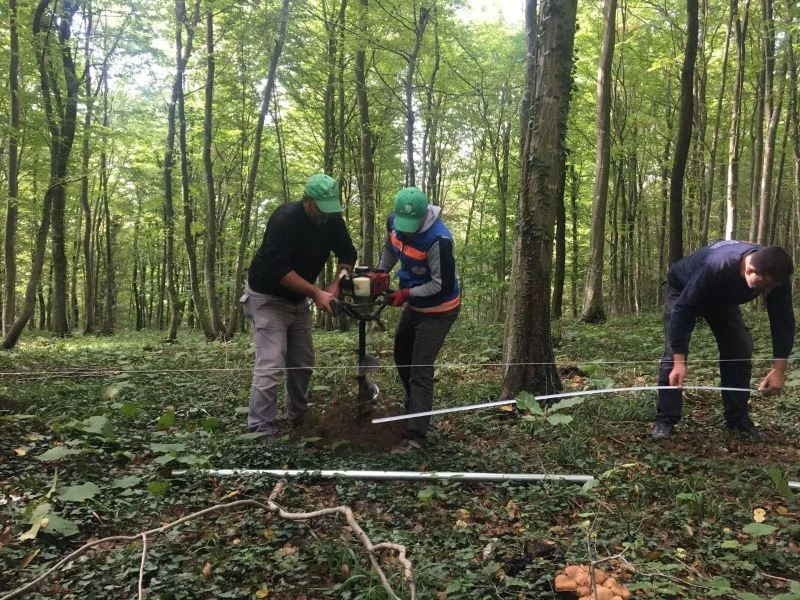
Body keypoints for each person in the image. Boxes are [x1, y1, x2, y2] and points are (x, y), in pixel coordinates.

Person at [241, 174, 357, 440]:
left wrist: (334, 287)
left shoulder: (332, 220)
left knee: (302, 363)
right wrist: (317, 294)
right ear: (306, 201)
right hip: (267, 297)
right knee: (271, 364)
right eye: (321, 209)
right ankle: (260, 430)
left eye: (330, 210)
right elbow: (279, 270)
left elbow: (348, 254)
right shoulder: (285, 219)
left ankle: (298, 417)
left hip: (299, 300)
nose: (325, 216)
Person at [651, 240, 794, 442]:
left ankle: (738, 420)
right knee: (672, 354)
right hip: (684, 290)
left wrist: (779, 369)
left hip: (723, 299)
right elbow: (683, 310)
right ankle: (665, 419)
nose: (769, 291)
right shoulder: (717, 267)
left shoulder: (774, 271)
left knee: (739, 347)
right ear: (750, 270)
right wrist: (679, 362)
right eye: (766, 286)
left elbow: (783, 319)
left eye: (773, 286)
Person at [377, 187, 461, 454]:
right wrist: (380, 274)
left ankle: (415, 436)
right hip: (413, 305)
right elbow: (391, 248)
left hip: (439, 310)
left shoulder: (439, 240)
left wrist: (405, 293)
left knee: (420, 370)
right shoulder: (395, 223)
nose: (406, 231)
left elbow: (442, 284)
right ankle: (415, 406)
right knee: (402, 355)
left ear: (425, 215)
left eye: (411, 227)